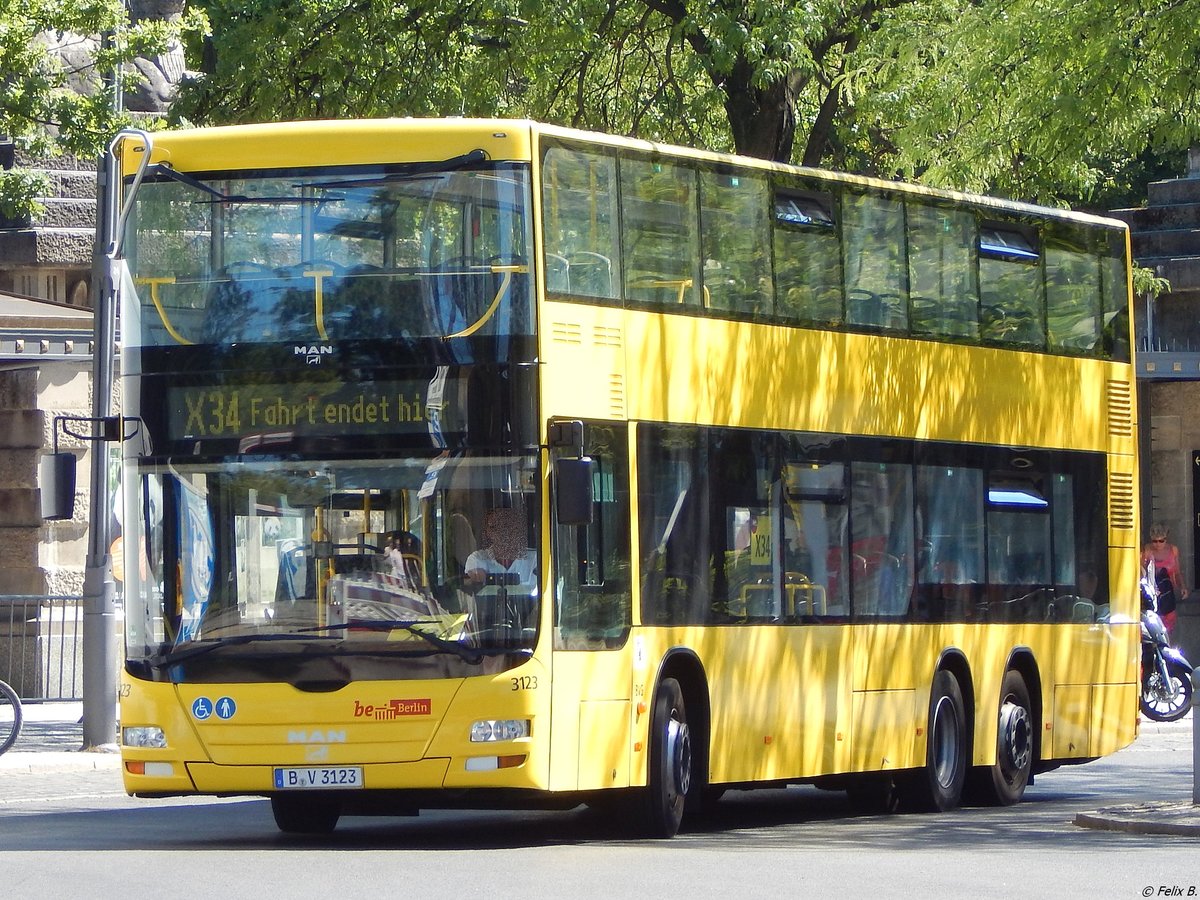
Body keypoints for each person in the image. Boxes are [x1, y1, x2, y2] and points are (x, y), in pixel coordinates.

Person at [465, 507, 537, 589]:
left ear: (517, 529)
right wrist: (476, 578)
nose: (502, 532)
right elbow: (474, 588)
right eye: (495, 527)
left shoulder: (536, 558)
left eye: (506, 526)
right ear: (488, 532)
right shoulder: (477, 558)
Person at [1142, 522, 1188, 639]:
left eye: (1161, 541)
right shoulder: (1147, 551)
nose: (1158, 544)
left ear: (1166, 539)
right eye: (1155, 541)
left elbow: (1177, 571)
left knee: (1167, 633)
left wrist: (1182, 587)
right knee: (1152, 632)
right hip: (1152, 597)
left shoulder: (1173, 550)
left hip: (1168, 595)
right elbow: (1141, 573)